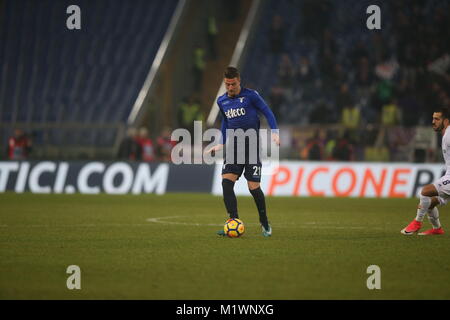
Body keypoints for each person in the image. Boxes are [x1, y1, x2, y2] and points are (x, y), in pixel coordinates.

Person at [205, 66, 280, 237]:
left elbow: (267, 112)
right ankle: (234, 221)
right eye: (227, 84)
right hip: (234, 147)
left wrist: (275, 132)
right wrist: (221, 143)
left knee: (253, 188)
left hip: (252, 147)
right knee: (226, 183)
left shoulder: (251, 95)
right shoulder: (221, 101)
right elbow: (225, 121)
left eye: (233, 84)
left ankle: (265, 223)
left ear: (239, 81)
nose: (230, 88)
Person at [401, 107, 447, 236]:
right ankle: (437, 229)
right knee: (429, 204)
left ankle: (417, 222)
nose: (433, 121)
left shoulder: (449, 135)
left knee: (425, 192)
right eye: (433, 118)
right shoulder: (445, 135)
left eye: (437, 119)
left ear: (446, 120)